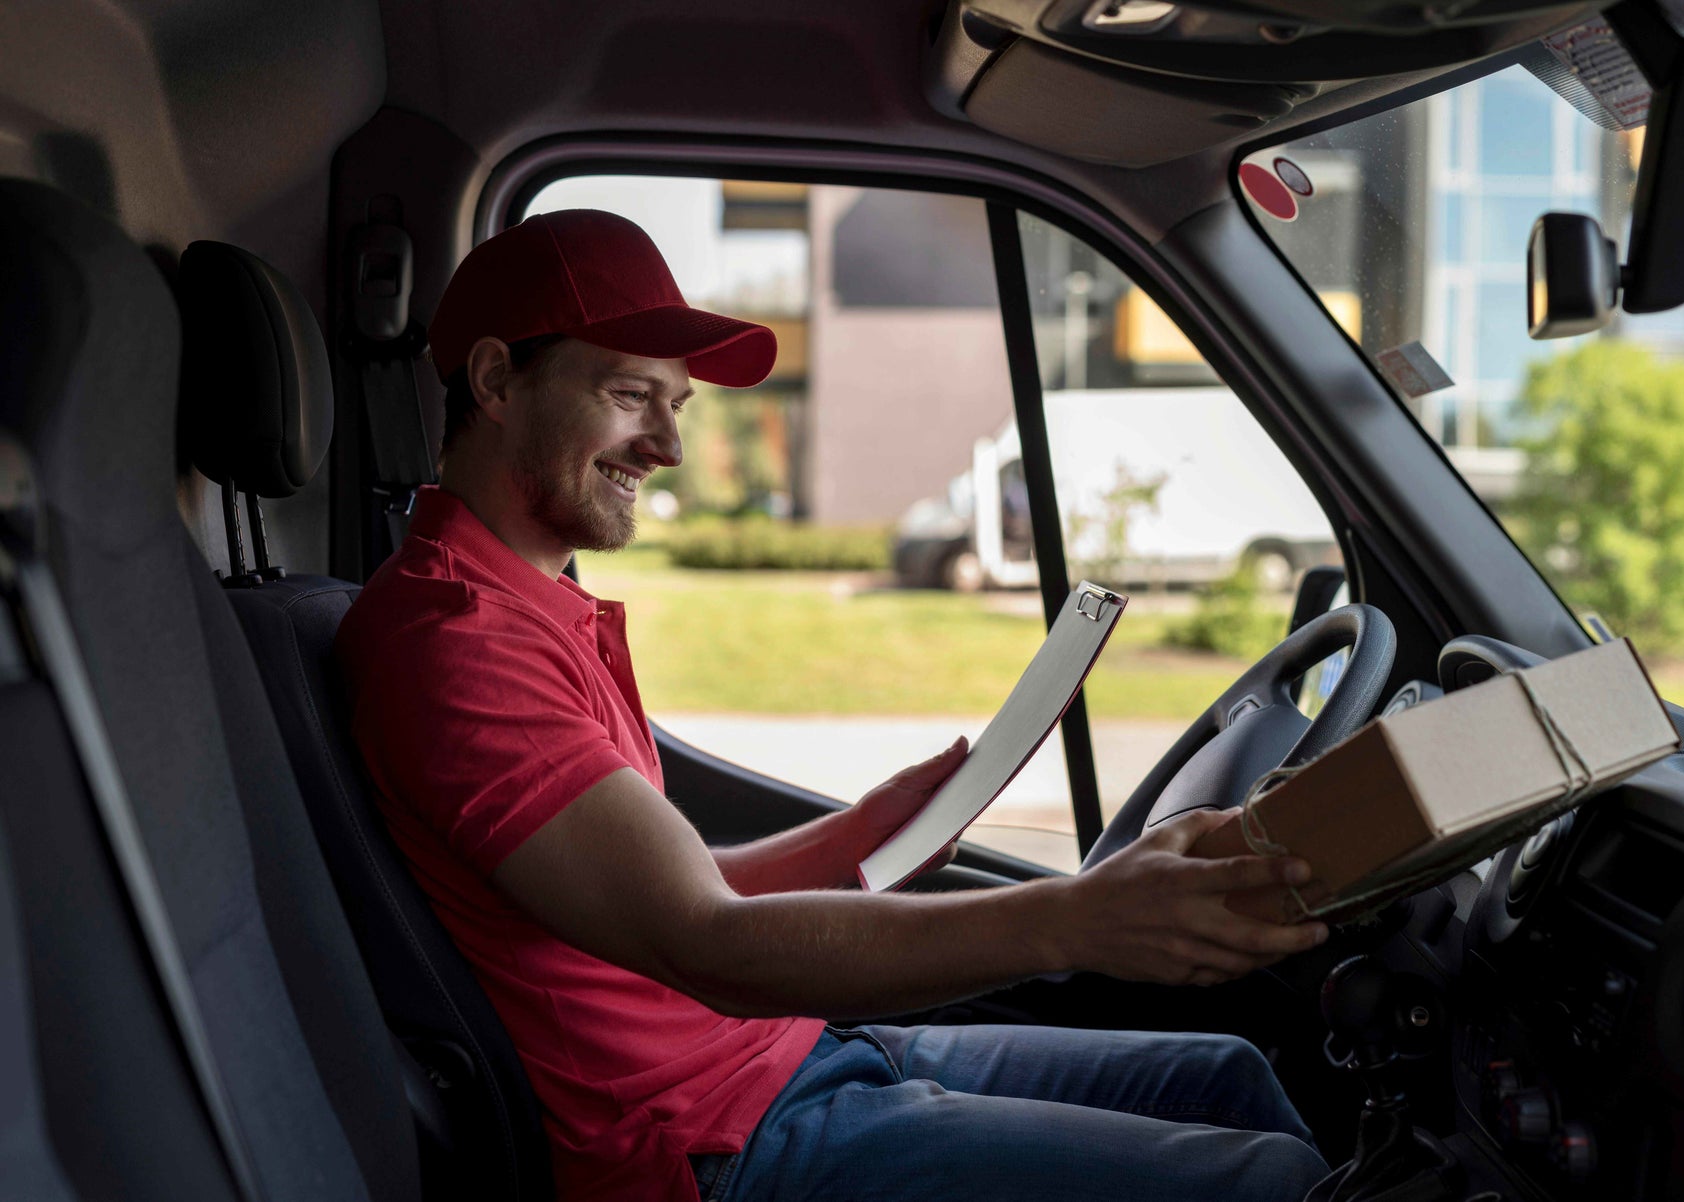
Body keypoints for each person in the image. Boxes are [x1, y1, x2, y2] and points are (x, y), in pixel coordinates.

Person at [336, 208, 1334, 1202]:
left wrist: (862, 832)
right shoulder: (457, 641)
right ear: (498, 380)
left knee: (1227, 1074)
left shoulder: (528, 602)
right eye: (632, 394)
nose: (669, 446)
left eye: (677, 405)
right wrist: (1077, 919)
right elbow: (708, 941)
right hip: (707, 1140)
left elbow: (668, 888)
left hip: (785, 1053)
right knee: (1272, 1178)